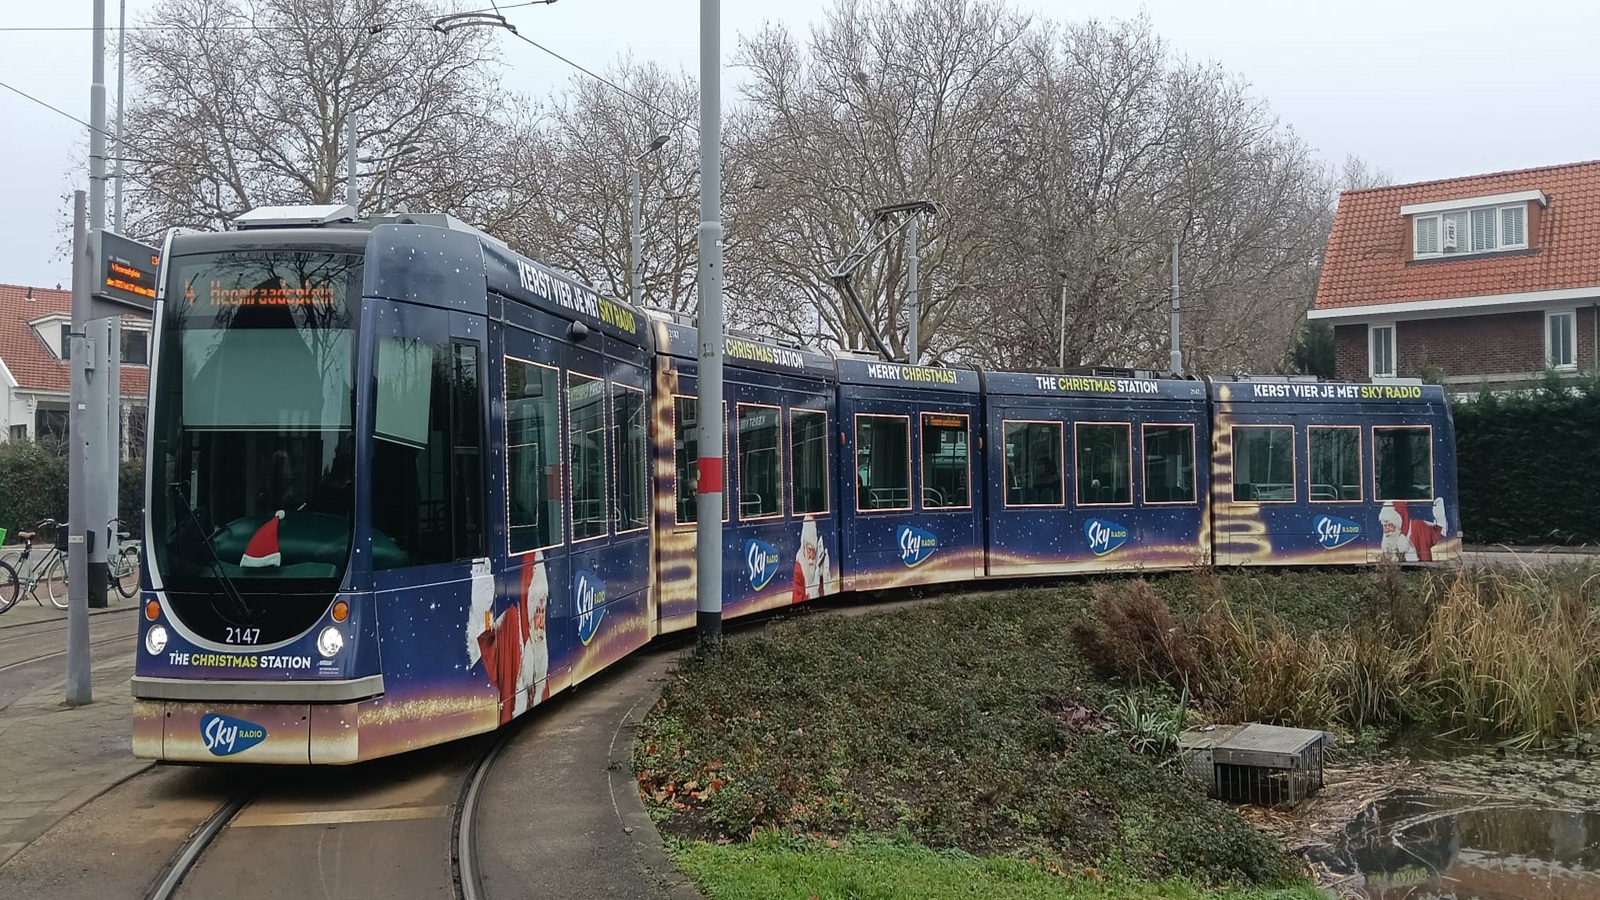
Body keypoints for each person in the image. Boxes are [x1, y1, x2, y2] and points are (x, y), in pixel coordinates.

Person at [468, 550, 550, 723]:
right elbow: (486, 643)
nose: (542, 623)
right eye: (537, 612)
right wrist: (482, 610)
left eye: (543, 612)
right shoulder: (511, 621)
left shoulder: (539, 651)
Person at [1379, 498, 1448, 562]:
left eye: (1390, 525)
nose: (1387, 529)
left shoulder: (1416, 527)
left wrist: (1440, 520)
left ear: (1398, 525)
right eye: (1385, 526)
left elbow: (1435, 535)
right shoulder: (1388, 542)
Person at [792, 515, 831, 603]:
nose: (812, 555)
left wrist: (825, 573)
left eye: (813, 550)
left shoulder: (819, 561)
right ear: (804, 547)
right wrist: (812, 592)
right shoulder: (799, 568)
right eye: (809, 550)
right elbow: (797, 600)